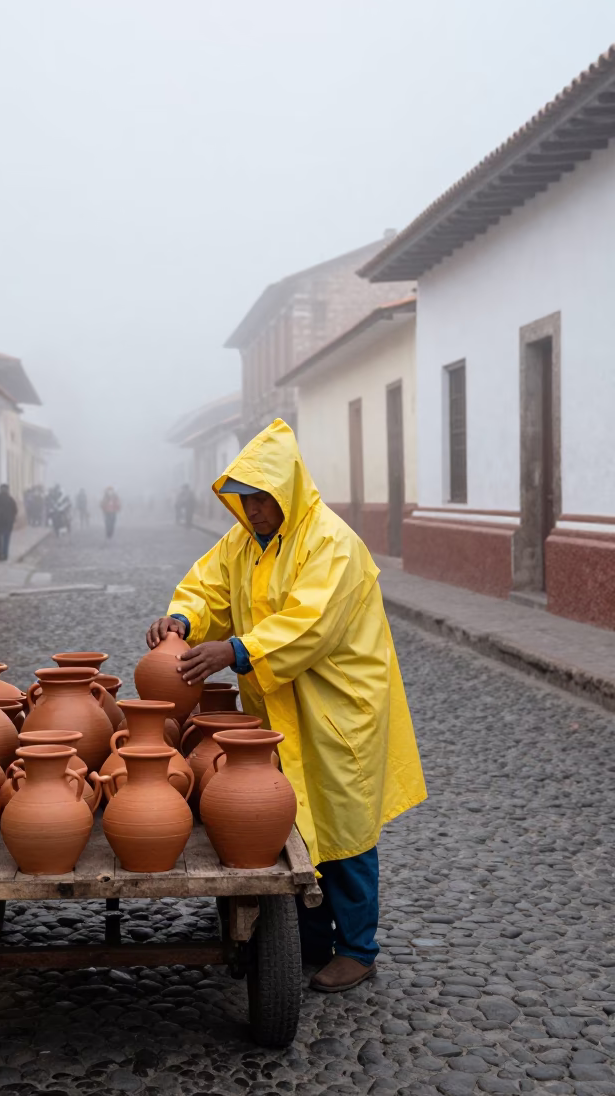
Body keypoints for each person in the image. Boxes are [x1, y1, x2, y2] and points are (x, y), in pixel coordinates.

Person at [145, 419, 426, 993]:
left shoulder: (331, 542)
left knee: (343, 824)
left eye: (262, 499)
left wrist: (236, 650)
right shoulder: (243, 543)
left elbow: (309, 625)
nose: (252, 511)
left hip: (336, 707)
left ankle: (358, 948)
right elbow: (207, 589)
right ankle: (310, 937)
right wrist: (182, 620)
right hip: (278, 707)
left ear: (287, 490)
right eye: (243, 500)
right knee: (290, 820)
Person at [0, 483, 18, 562]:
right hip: (8, 523)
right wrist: (12, 518)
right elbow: (15, 510)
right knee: (6, 539)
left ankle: (0, 554)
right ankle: (5, 554)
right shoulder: (10, 500)